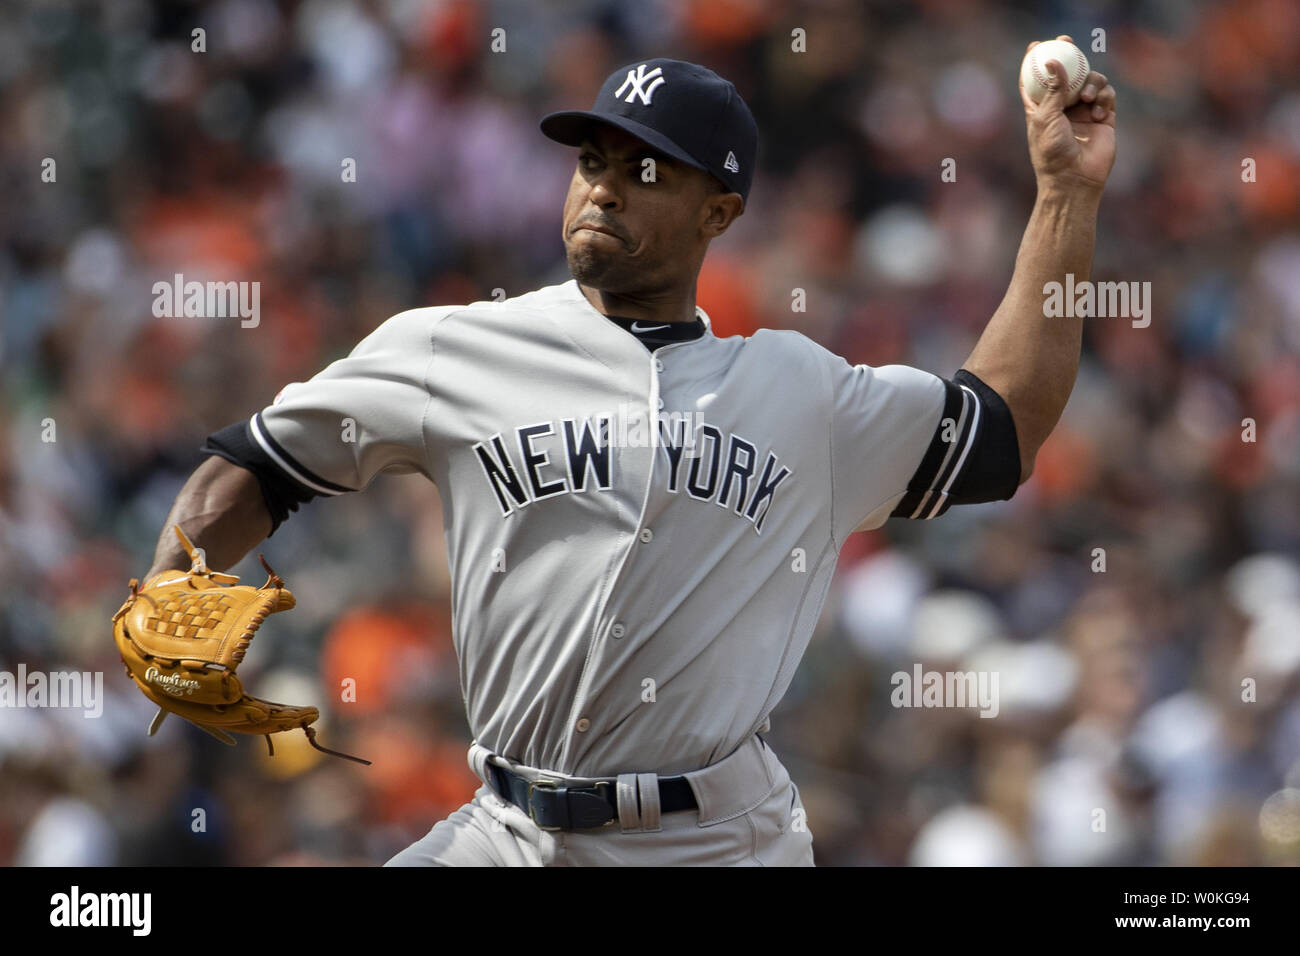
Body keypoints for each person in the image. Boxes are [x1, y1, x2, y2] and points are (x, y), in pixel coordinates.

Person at [139, 49, 1116, 865]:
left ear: (719, 211)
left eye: (647, 168)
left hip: (717, 839)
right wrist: (169, 584)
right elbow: (257, 462)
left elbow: (1000, 429)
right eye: (593, 158)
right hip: (507, 827)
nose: (605, 183)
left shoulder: (800, 390)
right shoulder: (455, 346)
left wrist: (1065, 196)